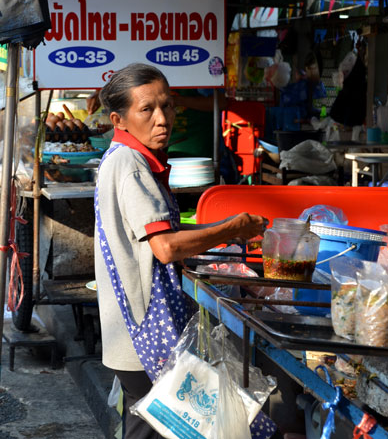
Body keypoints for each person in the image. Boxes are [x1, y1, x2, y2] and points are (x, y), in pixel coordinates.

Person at [95, 63, 267, 439]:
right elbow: (166, 247)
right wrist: (230, 228)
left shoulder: (127, 160)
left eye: (168, 106)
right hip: (142, 337)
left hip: (135, 335)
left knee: (148, 429)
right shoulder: (131, 166)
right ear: (118, 120)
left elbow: (163, 233)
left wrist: (220, 235)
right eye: (147, 110)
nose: (162, 119)